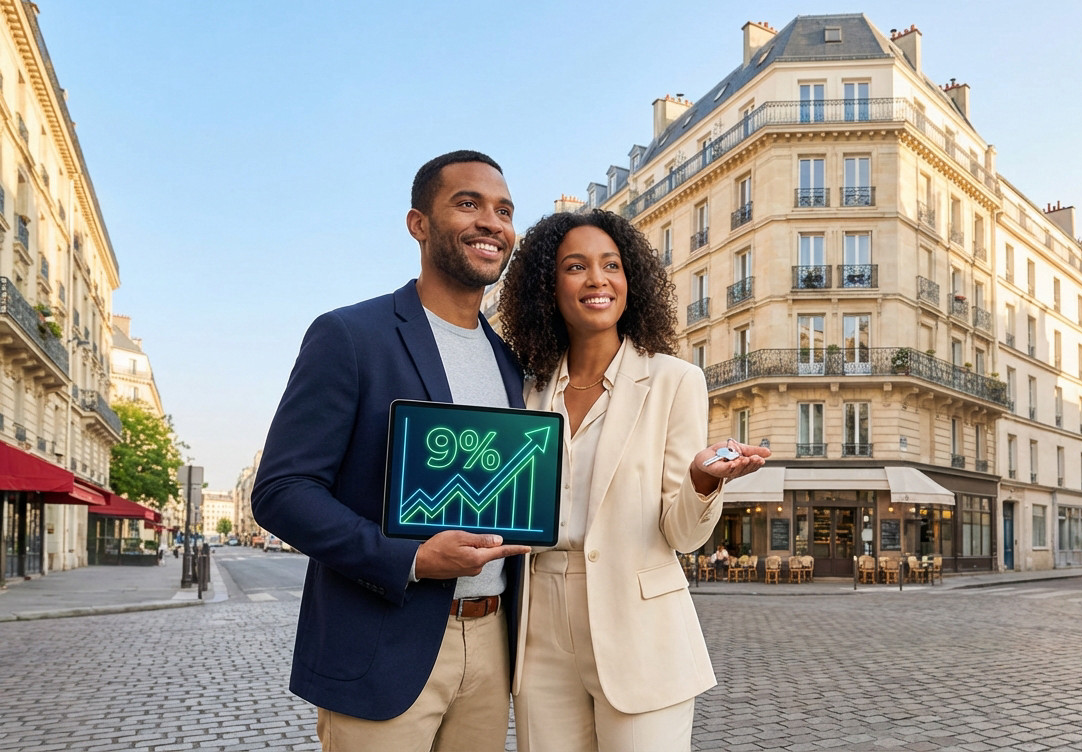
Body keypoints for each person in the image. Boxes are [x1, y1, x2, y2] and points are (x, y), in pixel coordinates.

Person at [251, 150, 530, 752]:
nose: (492, 222)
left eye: (504, 210)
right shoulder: (350, 335)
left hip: (492, 649)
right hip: (382, 646)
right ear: (418, 224)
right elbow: (281, 492)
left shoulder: (515, 364)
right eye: (468, 204)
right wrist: (409, 559)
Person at [498, 209, 769, 752]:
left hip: (642, 629)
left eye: (611, 265)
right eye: (576, 266)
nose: (597, 279)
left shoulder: (675, 381)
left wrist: (700, 481)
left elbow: (684, 535)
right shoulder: (526, 394)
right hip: (540, 626)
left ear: (631, 282)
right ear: (548, 287)